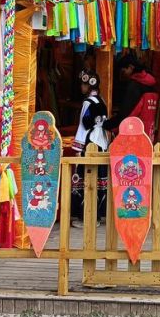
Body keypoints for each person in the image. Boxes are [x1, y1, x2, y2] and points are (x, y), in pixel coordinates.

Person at [70, 68, 109, 220]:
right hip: (101, 141)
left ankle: (85, 214)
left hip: (90, 141)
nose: (82, 87)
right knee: (99, 178)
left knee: (86, 177)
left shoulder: (87, 102)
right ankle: (98, 213)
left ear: (89, 85)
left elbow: (83, 125)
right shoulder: (101, 101)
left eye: (83, 84)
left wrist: (77, 147)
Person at [106, 52, 159, 138]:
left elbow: (127, 113)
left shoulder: (135, 86)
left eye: (123, 71)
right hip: (148, 132)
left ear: (131, 67)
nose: (122, 75)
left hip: (134, 134)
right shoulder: (151, 85)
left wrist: (108, 125)